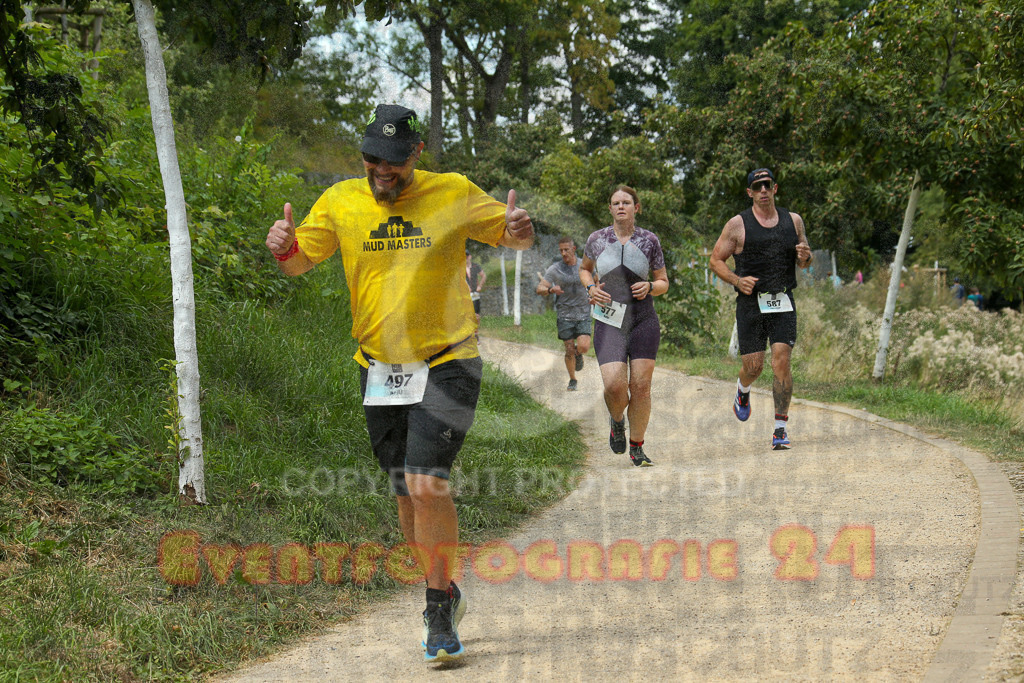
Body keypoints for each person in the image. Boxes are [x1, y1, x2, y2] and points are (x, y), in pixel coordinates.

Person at [264, 103, 534, 663]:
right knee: (405, 496)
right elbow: (298, 263)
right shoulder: (340, 199)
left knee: (426, 483)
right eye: (370, 158)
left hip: (447, 358)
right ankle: (448, 587)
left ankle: (437, 611)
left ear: (415, 153)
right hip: (379, 369)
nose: (380, 170)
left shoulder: (452, 190)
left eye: (391, 160)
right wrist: (283, 246)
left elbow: (511, 238)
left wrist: (516, 229)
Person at [709, 168, 813, 450]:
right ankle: (743, 390)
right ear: (750, 192)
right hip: (751, 303)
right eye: (758, 186)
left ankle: (780, 428)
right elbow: (716, 260)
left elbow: (803, 259)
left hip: (783, 300)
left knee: (781, 359)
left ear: (775, 188)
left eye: (767, 185)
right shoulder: (737, 225)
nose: (763, 190)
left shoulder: (793, 221)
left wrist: (806, 257)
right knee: (753, 367)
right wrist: (736, 279)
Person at [579, 185, 668, 467]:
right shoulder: (597, 239)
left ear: (636, 208)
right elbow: (584, 269)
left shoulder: (649, 240)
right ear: (610, 208)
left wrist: (652, 286)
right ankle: (617, 421)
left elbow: (663, 281)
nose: (621, 207)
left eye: (626, 202)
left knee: (640, 387)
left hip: (643, 319)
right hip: (608, 319)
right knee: (615, 387)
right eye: (616, 202)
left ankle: (637, 446)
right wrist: (591, 288)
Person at [536, 237, 592, 391]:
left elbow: (596, 282)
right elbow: (539, 288)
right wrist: (550, 290)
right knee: (568, 349)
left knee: (584, 346)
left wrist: (595, 293)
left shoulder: (585, 265)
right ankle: (573, 379)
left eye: (566, 249)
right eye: (561, 250)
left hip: (583, 312)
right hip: (565, 314)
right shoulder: (555, 269)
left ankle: (578, 353)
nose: (563, 253)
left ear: (573, 249)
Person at [465, 250, 486, 322]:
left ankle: (476, 331)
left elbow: (483, 276)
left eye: (467, 256)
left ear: (470, 256)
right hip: (465, 294)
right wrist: (466, 287)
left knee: (476, 313)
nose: (465, 258)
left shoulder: (475, 266)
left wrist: (480, 286)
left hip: (474, 292)